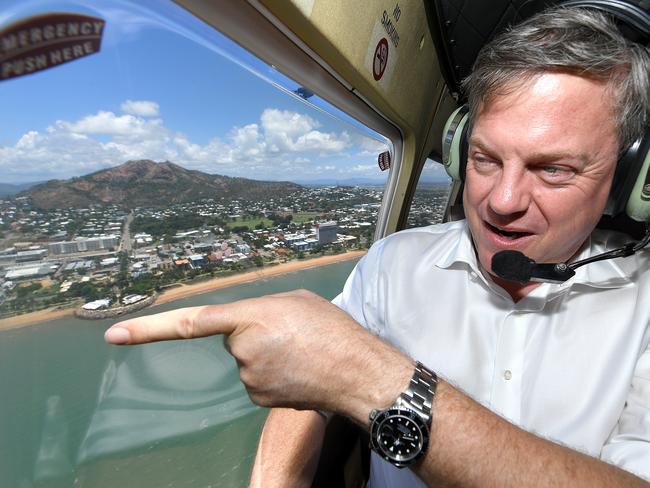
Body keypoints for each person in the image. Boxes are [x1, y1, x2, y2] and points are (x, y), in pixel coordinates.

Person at [104, 5, 650, 487]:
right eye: (485, 159)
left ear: (628, 182)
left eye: (552, 169)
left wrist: (376, 379)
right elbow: (309, 373)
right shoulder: (394, 263)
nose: (501, 200)